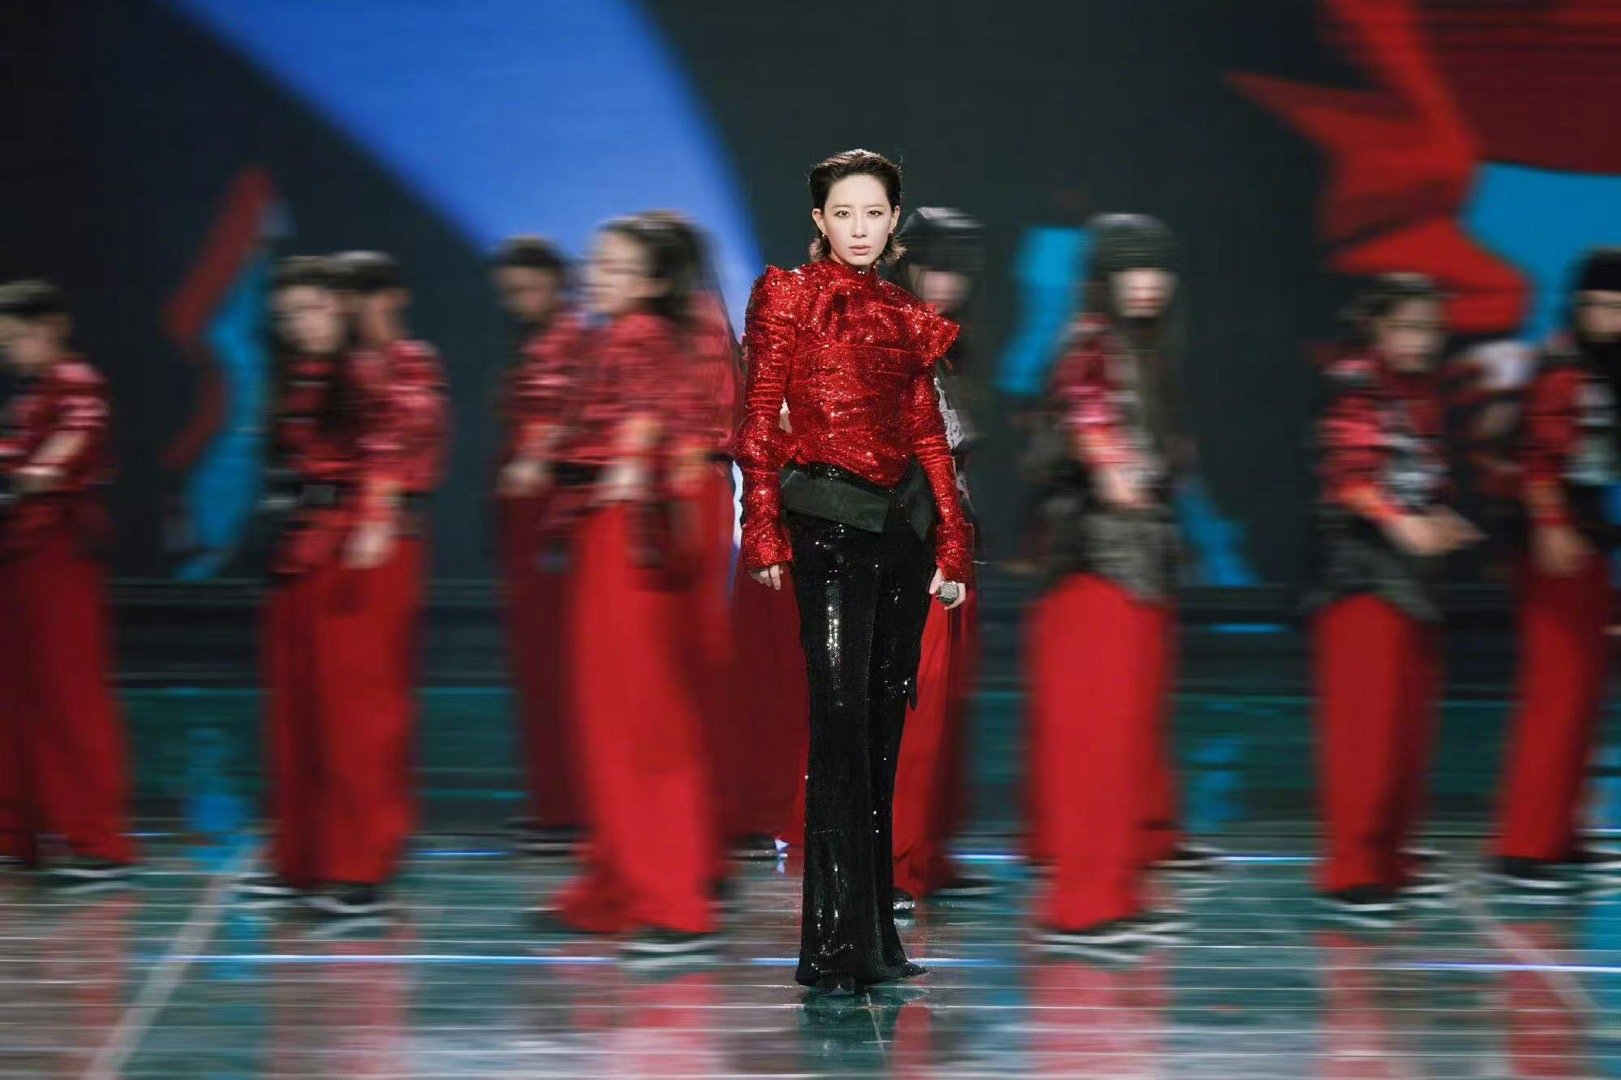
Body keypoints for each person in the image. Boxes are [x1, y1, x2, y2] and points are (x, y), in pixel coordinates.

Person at [734, 148, 973, 993]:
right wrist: (759, 524)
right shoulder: (788, 296)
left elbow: (925, 431)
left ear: (894, 219)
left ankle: (874, 942)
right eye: (844, 213)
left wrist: (952, 540)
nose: (860, 229)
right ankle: (832, 947)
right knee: (838, 730)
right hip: (828, 527)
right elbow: (758, 414)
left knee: (878, 733)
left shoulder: (904, 312)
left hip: (901, 531)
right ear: (818, 221)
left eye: (874, 213)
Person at [537, 215, 720, 958]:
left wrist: (626, 469)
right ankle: (622, 881)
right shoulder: (630, 332)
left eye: (615, 268)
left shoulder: (637, 334)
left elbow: (646, 417)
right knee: (623, 716)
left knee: (636, 718)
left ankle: (671, 903)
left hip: (624, 532)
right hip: (618, 531)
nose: (597, 277)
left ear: (653, 281)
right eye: (595, 263)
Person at [1026, 215, 1192, 951]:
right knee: (1097, 736)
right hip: (1095, 567)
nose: (1148, 283)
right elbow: (1088, 421)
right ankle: (1084, 905)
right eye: (1131, 269)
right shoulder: (1090, 342)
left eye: (1157, 269)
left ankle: (1113, 888)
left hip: (1137, 565)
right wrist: (1111, 466)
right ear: (1104, 276)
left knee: (1125, 736)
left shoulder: (1140, 350)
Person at [1307, 273, 1480, 920]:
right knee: (1367, 733)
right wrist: (1405, 525)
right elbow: (1350, 480)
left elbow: (1420, 477)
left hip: (1412, 581)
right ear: (1377, 327)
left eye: (1430, 329)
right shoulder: (1355, 386)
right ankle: (1354, 870)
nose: (1421, 341)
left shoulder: (1421, 393)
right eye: (1407, 327)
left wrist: (1439, 519)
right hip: (1362, 579)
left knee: (1406, 731)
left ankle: (1391, 857)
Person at [295, 251, 446, 917]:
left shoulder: (404, 364)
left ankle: (362, 862)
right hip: (324, 540)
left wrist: (377, 511)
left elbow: (399, 441)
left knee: (364, 705)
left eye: (335, 303)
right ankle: (335, 852)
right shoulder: (329, 368)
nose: (321, 317)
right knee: (331, 707)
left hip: (374, 543)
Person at [1493, 248, 1621, 893]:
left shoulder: (1606, 368)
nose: (1605, 317)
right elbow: (1537, 459)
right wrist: (1550, 524)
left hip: (1591, 542)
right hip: (1556, 546)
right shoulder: (1563, 367)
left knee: (1584, 693)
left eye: (1616, 306)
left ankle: (1563, 834)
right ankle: (1523, 846)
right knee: (1556, 691)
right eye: (1594, 304)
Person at [0, 279, 136, 883]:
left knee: (67, 692)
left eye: (15, 338)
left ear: (49, 328)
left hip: (59, 555)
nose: (9, 352)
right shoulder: (32, 395)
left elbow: (54, 462)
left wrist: (21, 468)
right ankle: (17, 830)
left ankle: (95, 838)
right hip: (22, 553)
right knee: (16, 694)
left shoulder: (78, 384)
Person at [243, 255, 366, 904]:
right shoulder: (290, 382)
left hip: (343, 553)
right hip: (291, 552)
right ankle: (297, 858)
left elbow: (386, 466)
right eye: (289, 315)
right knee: (292, 715)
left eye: (314, 308)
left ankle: (351, 869)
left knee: (344, 717)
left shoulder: (369, 376)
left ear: (341, 307)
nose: (302, 324)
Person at [885, 207, 994, 911]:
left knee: (944, 710)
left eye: (959, 270)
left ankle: (925, 853)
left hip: (952, 543)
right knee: (909, 706)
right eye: (935, 266)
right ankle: (889, 866)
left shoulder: (951, 346)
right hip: (904, 543)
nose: (947, 282)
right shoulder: (887, 336)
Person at [491, 235, 583, 853]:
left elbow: (566, 418)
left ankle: (569, 805)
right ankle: (552, 801)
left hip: (554, 511)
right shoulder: (538, 341)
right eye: (511, 291)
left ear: (556, 283)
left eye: (529, 287)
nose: (519, 299)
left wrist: (535, 456)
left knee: (560, 661)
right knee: (537, 662)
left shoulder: (574, 342)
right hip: (526, 515)